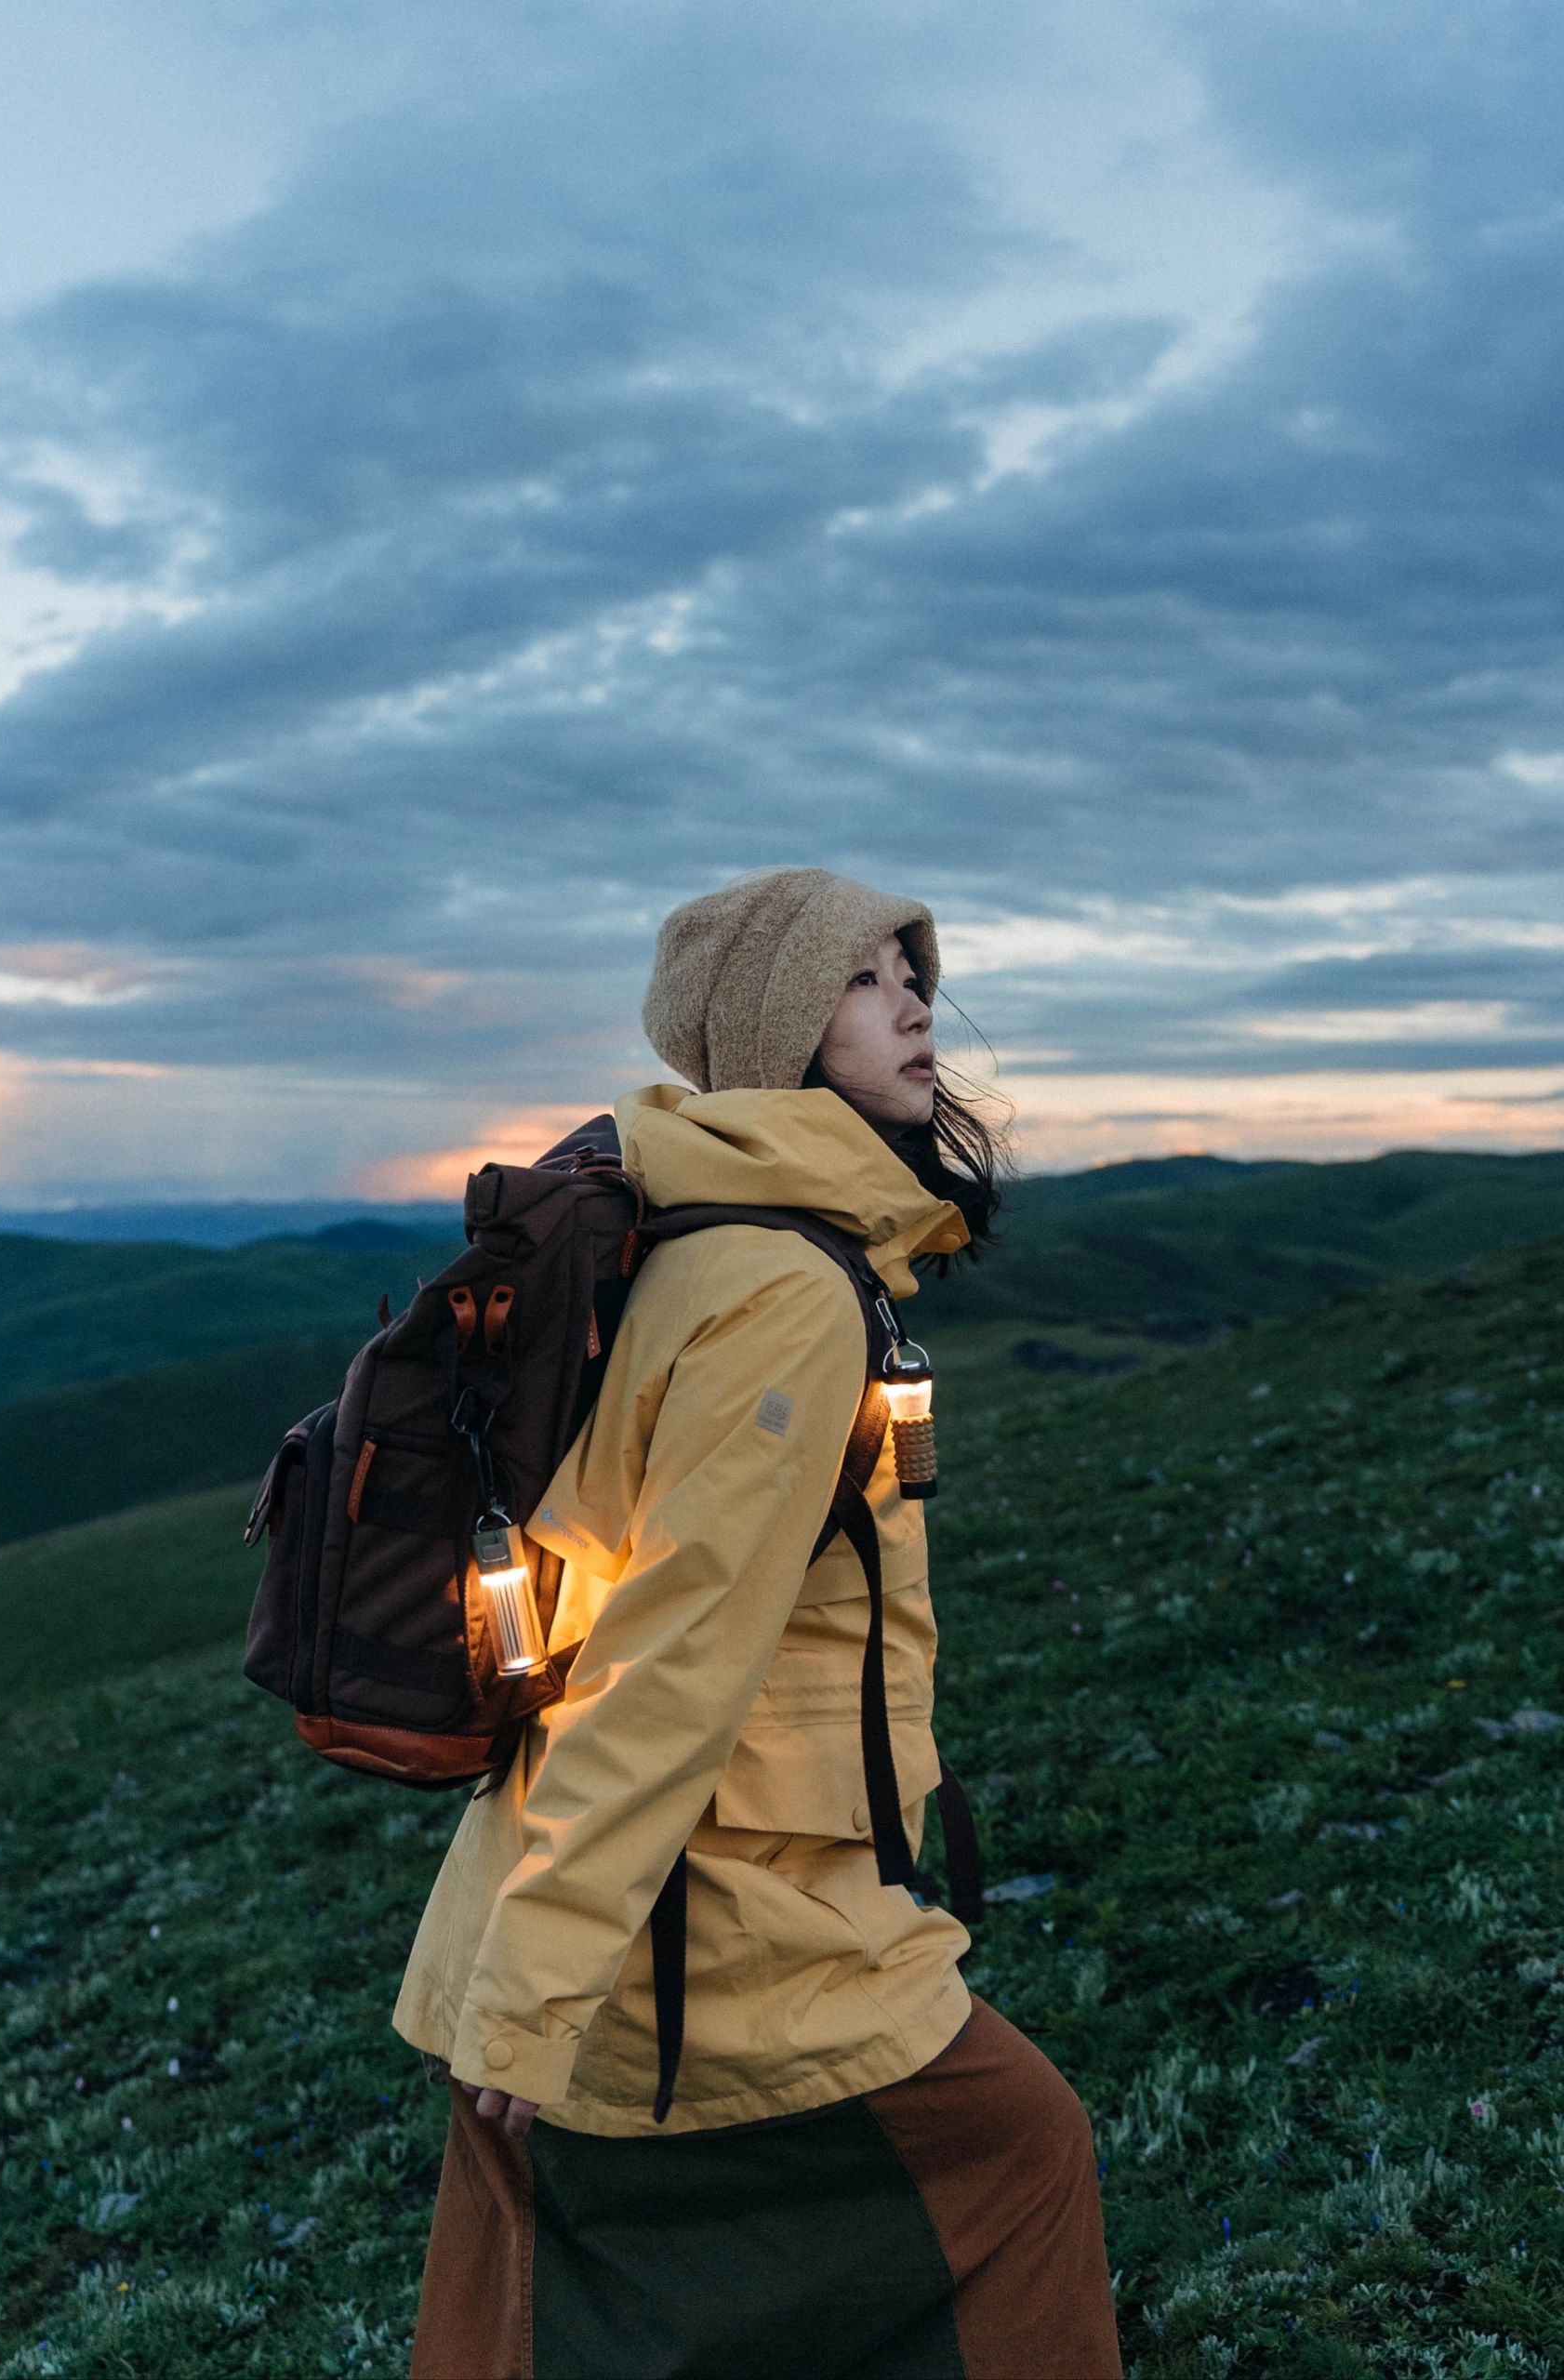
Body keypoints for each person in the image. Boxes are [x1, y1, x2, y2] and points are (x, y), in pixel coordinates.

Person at [394, 866, 1123, 2378]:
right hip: (715, 1920)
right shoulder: (784, 1288)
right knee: (1023, 2153)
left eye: (909, 969)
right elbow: (678, 1651)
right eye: (862, 980)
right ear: (779, 1028)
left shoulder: (697, 1236)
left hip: (591, 1883)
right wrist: (538, 1992)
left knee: (549, 2291)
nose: (916, 1000)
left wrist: (524, 1967)